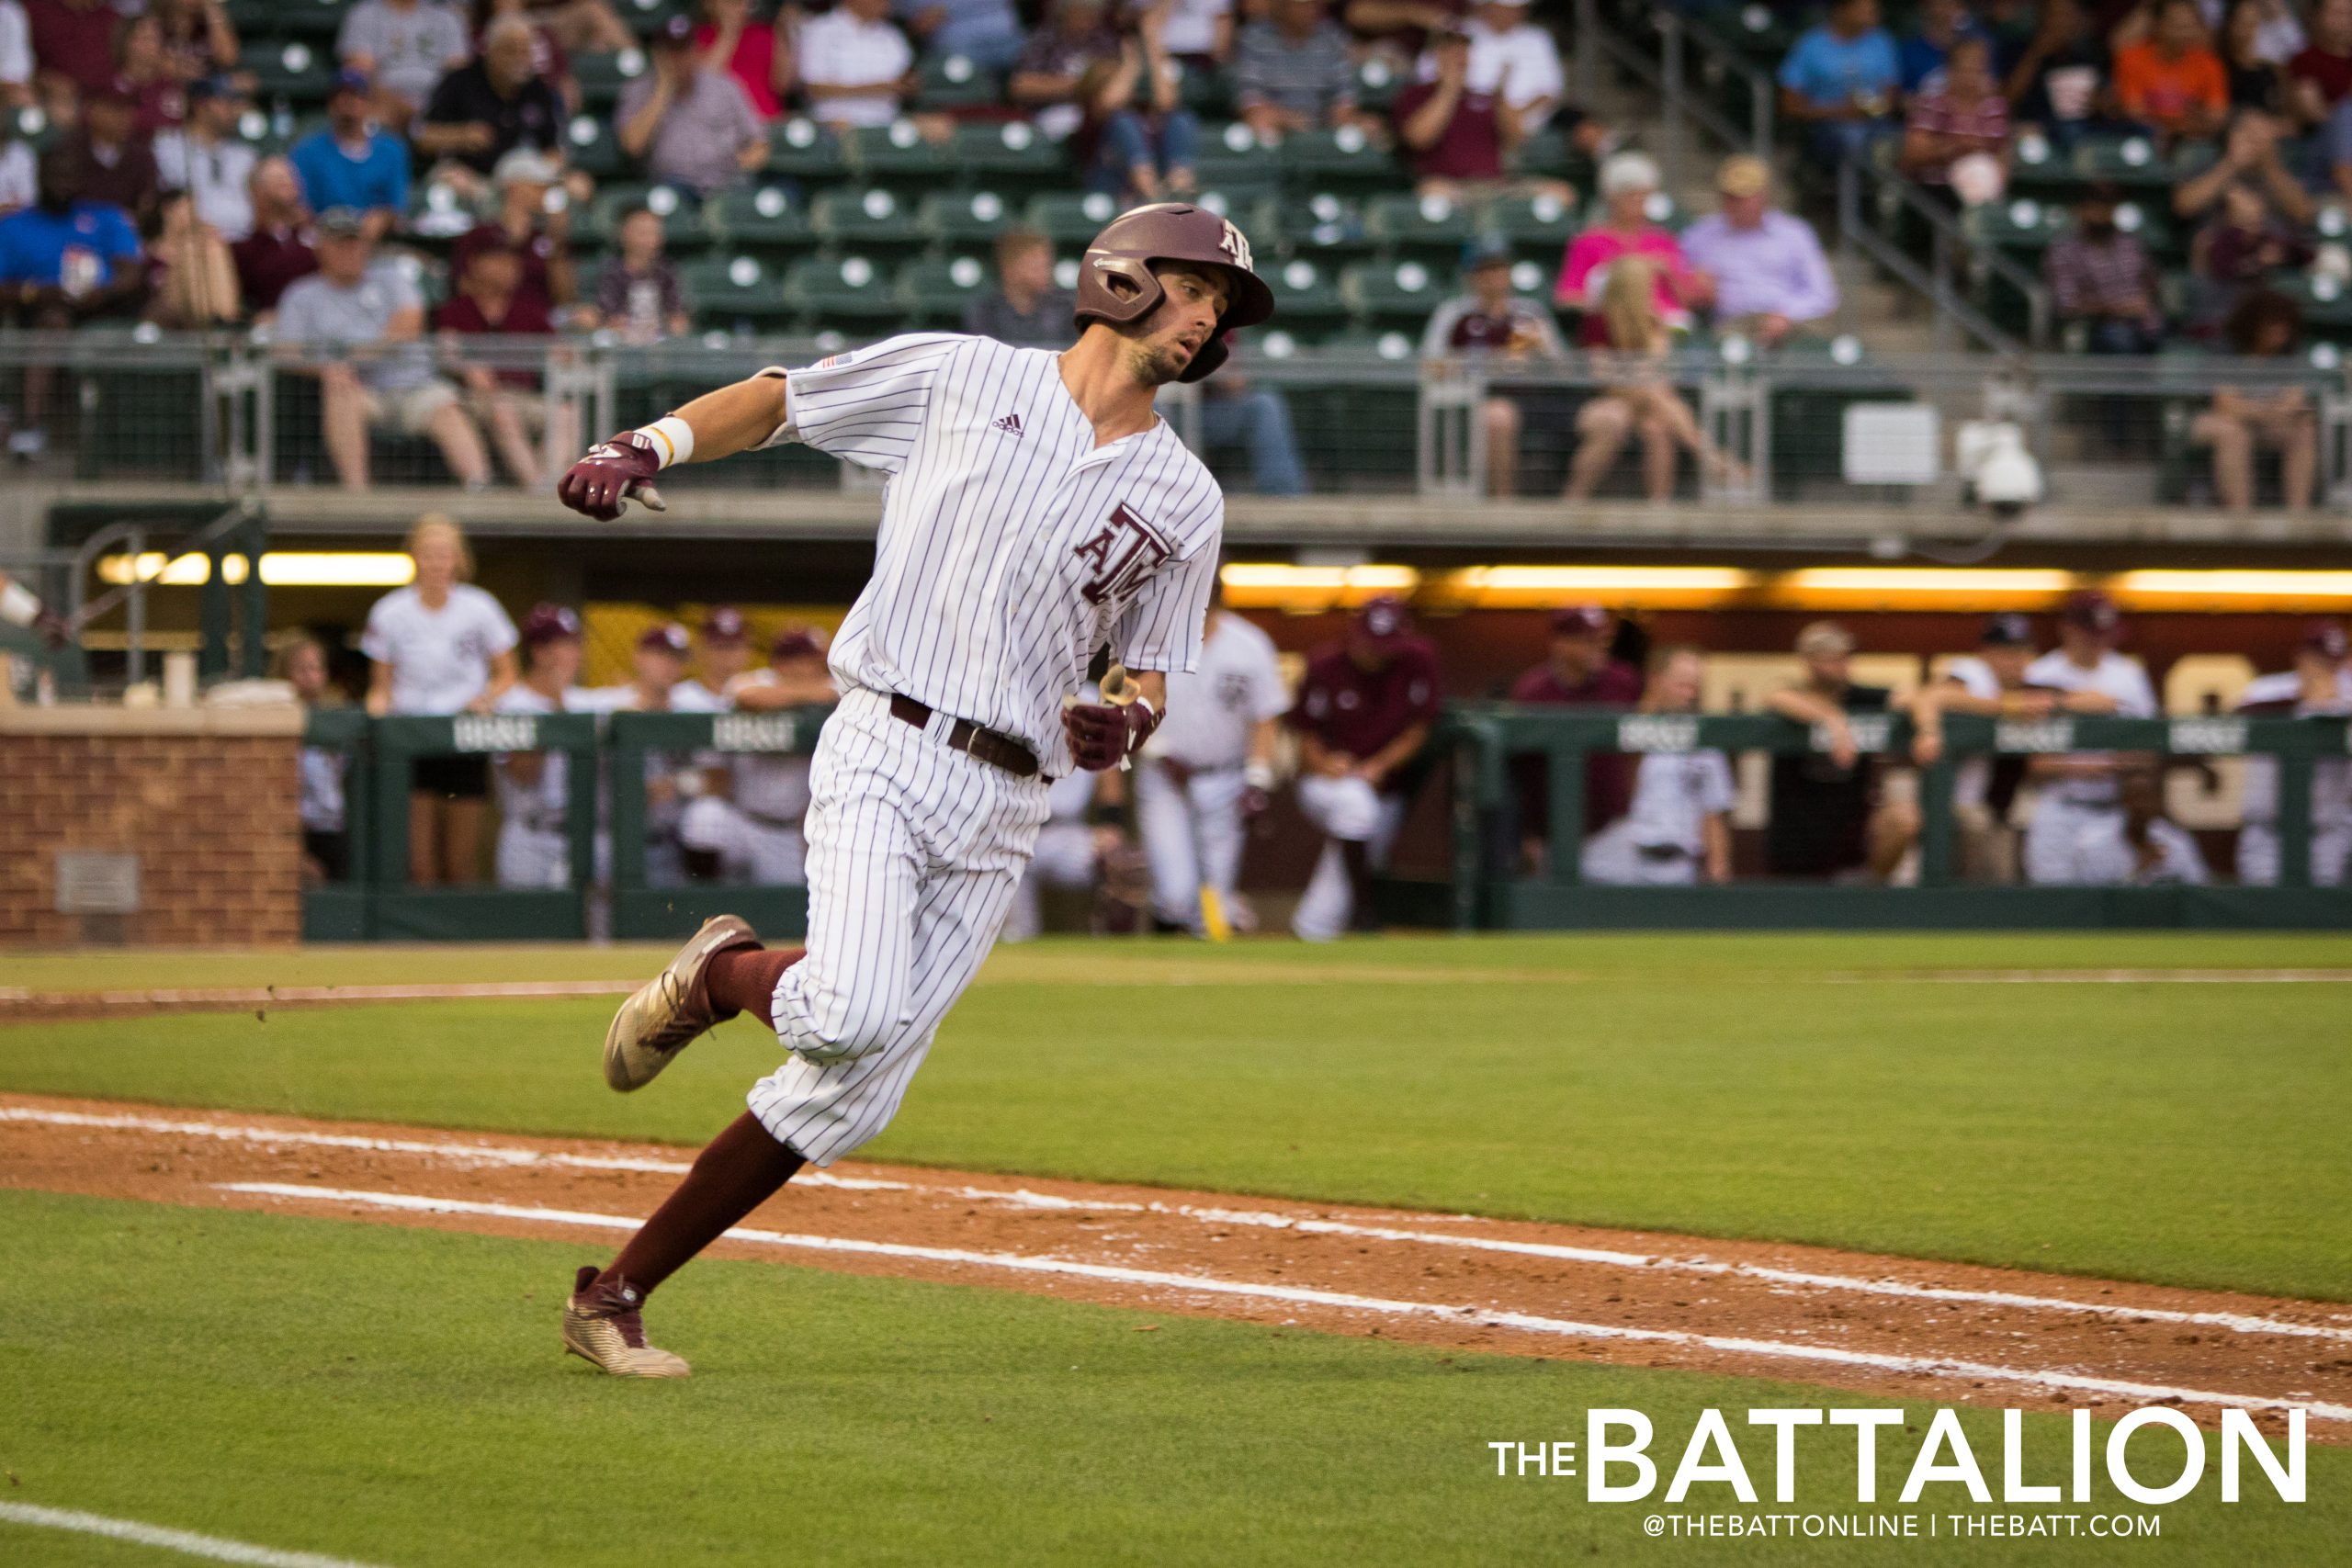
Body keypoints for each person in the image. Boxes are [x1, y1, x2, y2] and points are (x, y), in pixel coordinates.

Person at [548, 199, 1269, 1376]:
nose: (1203, 320)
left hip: (1011, 799)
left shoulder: (1187, 496)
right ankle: (721, 973)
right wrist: (649, 444)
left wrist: (1124, 721)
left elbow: (1148, 669)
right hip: (891, 737)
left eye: (1220, 307)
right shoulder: (959, 372)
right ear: (1123, 278)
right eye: (1194, 289)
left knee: (847, 1103)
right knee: (846, 1013)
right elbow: (784, 397)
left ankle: (611, 1294)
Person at [274, 208, 492, 490]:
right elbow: (285, 352)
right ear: (322, 248)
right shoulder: (302, 294)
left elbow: (408, 324)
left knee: (447, 407)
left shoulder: (391, 277)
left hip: (415, 386)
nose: (351, 250)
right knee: (340, 392)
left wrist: (347, 356)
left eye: (356, 241)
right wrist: (328, 366)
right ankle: (358, 494)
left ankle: (479, 487)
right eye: (341, 243)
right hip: (363, 391)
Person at [361, 513, 519, 886]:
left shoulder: (481, 607)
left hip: (465, 738)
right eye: (428, 554)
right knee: (421, 866)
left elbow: (508, 673)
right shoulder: (390, 611)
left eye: (444, 554)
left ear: (459, 559)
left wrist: (485, 699)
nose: (436, 563)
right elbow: (381, 685)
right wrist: (378, 712)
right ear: (414, 557)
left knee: (460, 863)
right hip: (412, 740)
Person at [1909, 611, 2118, 883]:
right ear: (1987, 653)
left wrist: (2052, 703)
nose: (2015, 661)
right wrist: (2006, 707)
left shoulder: (2031, 687)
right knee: (1973, 858)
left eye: (2021, 652)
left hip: (2001, 811)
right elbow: (1932, 696)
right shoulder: (1972, 675)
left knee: (2002, 880)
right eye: (2006, 652)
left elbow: (2104, 702)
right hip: (1956, 805)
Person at [1134, 575, 1284, 934]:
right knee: (1175, 890)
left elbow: (1266, 716)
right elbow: (1128, 696)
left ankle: (1207, 971)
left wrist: (1257, 778)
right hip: (1163, 776)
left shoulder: (1249, 644)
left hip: (1224, 777)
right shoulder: (1155, 636)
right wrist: (1155, 747)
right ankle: (1161, 963)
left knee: (1215, 893)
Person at [1287, 594, 1440, 940]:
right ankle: (1364, 912)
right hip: (1328, 783)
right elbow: (1305, 742)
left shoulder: (1418, 659)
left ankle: (1312, 930)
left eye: (1386, 645)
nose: (1377, 652)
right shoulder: (1325, 664)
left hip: (1384, 788)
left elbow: (1419, 729)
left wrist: (1378, 766)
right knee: (1354, 805)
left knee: (1349, 847)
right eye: (1371, 644)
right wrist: (1328, 765)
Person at [0, 147, 146, 460]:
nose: (61, 183)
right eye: (54, 175)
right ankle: (31, 426)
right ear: (38, 176)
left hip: (103, 309)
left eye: (69, 176)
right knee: (53, 320)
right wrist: (36, 293)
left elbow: (131, 272)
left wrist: (102, 292)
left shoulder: (104, 217)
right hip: (35, 312)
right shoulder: (13, 225)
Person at [1566, 257, 1743, 502]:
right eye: (1645, 285)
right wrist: (1638, 379)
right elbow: (1604, 378)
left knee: (1657, 427)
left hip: (1648, 401)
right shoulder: (1598, 322)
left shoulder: (1652, 322)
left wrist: (1639, 371)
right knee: (1634, 405)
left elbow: (1660, 371)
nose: (1650, 291)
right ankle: (1710, 457)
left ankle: (1659, 506)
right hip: (1606, 399)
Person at [2018, 589, 2160, 886]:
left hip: (2115, 810)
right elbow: (2032, 764)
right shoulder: (2041, 674)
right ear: (2067, 629)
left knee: (2113, 909)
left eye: (2104, 634)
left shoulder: (2128, 675)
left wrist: (2126, 764)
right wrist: (2089, 768)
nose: (2098, 642)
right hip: (2058, 806)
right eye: (2090, 633)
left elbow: (2151, 749)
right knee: (2054, 906)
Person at [681, 628, 841, 886]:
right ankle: (697, 897)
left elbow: (836, 692)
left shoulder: (835, 687)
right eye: (791, 659)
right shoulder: (757, 682)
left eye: (808, 660)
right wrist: (802, 694)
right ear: (777, 663)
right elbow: (745, 693)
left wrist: (797, 694)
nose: (800, 667)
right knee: (705, 818)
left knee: (782, 917)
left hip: (787, 832)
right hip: (743, 821)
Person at [1764, 620, 1916, 881]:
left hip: (1851, 842)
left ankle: (1875, 891)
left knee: (1903, 817)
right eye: (1831, 658)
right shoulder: (1792, 696)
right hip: (1797, 847)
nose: (1841, 665)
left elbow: (1911, 699)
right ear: (1809, 661)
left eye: (1845, 657)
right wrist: (1833, 721)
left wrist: (1929, 730)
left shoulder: (1861, 697)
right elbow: (1777, 697)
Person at [1421, 234, 1566, 496]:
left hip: (1533, 400)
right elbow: (1432, 365)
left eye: (1500, 268)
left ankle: (1569, 504)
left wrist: (1539, 349)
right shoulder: (1454, 314)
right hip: (1472, 399)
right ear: (1471, 276)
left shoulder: (1529, 313)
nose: (1494, 276)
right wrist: (1487, 362)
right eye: (1485, 269)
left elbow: (1561, 366)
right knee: (1499, 416)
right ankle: (1501, 502)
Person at [1506, 602, 1642, 873]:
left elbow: (1637, 746)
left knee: (1615, 911)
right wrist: (1527, 835)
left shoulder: (1622, 681)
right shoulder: (1532, 692)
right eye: (1586, 640)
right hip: (1551, 833)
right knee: (1557, 911)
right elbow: (1516, 772)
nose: (1598, 647)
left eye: (1602, 638)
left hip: (1611, 829)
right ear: (1560, 643)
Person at [1580, 646, 1733, 886]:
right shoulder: (1622, 725)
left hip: (1677, 864)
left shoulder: (1705, 740)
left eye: (1695, 686)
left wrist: (1718, 866)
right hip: (1618, 858)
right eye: (1682, 684)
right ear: (1656, 680)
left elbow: (1713, 810)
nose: (1690, 694)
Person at [434, 239, 567, 489]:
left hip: (525, 396)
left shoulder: (529, 309)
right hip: (475, 398)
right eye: (499, 260)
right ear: (475, 265)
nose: (509, 268)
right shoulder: (456, 309)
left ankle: (549, 483)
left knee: (566, 413)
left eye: (513, 261)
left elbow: (558, 350)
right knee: (502, 410)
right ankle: (536, 488)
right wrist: (465, 367)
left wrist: (563, 355)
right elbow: (446, 355)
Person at [1393, 23, 1573, 206]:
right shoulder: (1417, 94)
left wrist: (1502, 94)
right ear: (1437, 55)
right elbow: (1418, 139)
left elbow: (1515, 140)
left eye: (1463, 50)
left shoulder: (1485, 96)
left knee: (1560, 192)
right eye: (1449, 50)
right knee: (1433, 193)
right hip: (1450, 187)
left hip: (1496, 186)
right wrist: (1449, 90)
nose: (1458, 56)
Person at [2234, 619, 2352, 886]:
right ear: (2300, 658)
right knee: (2261, 919)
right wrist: (2303, 702)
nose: (2324, 669)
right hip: (2267, 830)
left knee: (2319, 921)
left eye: (2332, 662)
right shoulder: (2269, 689)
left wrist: (2336, 707)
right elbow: (2240, 712)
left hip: (2325, 834)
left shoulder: (2347, 695)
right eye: (2318, 660)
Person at [1678, 155, 1839, 348]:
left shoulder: (1795, 233)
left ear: (1763, 196)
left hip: (1788, 326)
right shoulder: (1701, 234)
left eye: (1743, 197)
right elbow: (1677, 277)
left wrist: (1787, 314)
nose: (1735, 204)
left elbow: (1823, 295)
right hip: (1729, 326)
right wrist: (1695, 284)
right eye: (1730, 196)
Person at [1554, 151, 1710, 345]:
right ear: (1612, 198)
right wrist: (1615, 280)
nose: (1638, 203)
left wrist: (1667, 271)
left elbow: (1688, 299)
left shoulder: (1663, 241)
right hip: (1609, 336)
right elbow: (1567, 298)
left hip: (1665, 333)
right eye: (1630, 196)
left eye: (1643, 196)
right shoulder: (1589, 241)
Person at [2191, 286, 2315, 511]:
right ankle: (2241, 519)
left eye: (2286, 324)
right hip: (2215, 423)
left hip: (2263, 424)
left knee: (2303, 428)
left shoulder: (2288, 360)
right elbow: (2226, 405)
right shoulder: (2228, 353)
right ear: (2255, 323)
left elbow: (2294, 402)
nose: (2282, 330)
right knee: (2234, 432)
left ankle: (2299, 515)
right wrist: (2269, 411)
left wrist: (2268, 412)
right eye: (2275, 323)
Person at [493, 602, 590, 890]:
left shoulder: (584, 700)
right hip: (529, 834)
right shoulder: (511, 703)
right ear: (539, 652)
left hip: (580, 834)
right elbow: (524, 772)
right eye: (565, 645)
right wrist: (557, 714)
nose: (575, 654)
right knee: (524, 929)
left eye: (575, 644)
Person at [618, 14, 768, 197]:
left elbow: (758, 142)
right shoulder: (638, 90)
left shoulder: (724, 87)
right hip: (670, 187)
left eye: (684, 50)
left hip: (725, 185)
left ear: (696, 50)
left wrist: (748, 159)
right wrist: (664, 89)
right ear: (658, 54)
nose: (679, 59)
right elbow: (633, 145)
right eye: (672, 51)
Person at [418, 16, 568, 199]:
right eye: (511, 51)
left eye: (525, 52)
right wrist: (461, 135)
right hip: (469, 174)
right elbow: (422, 136)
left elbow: (552, 148)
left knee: (570, 188)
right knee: (452, 183)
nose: (519, 59)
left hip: (519, 177)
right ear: (490, 51)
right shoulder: (459, 82)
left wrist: (549, 168)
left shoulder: (537, 89)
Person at [1000, 761, 1119, 939]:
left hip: (1067, 831)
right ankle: (1019, 943)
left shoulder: (1093, 735)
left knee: (1117, 864)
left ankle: (1112, 942)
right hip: (1017, 830)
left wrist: (1112, 825)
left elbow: (1110, 774)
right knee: (1018, 932)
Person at [290, 71, 413, 240]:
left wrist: (381, 218)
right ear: (330, 105)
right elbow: (301, 208)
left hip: (376, 242)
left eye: (355, 95)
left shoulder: (391, 150)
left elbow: (396, 206)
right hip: (323, 239)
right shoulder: (307, 151)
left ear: (369, 104)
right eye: (340, 97)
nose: (348, 103)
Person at [1778, 0, 1902, 166]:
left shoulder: (1881, 41)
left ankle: (1886, 191)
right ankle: (1850, 192)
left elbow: (1890, 97)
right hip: (1824, 127)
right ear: (1841, 10)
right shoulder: (1810, 44)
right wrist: (1841, 111)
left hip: (1875, 123)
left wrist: (1872, 109)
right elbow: (1790, 107)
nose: (1872, 13)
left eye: (1873, 8)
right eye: (1863, 8)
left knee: (1900, 140)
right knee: (1852, 137)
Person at [2042, 184, 2165, 353]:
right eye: (2095, 204)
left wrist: (2144, 302)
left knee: (2178, 344)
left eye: (2107, 204)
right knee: (2120, 338)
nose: (2101, 212)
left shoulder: (2131, 245)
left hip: (2146, 325)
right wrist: (2119, 308)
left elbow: (2152, 287)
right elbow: (2067, 304)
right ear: (2080, 209)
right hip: (2097, 328)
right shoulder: (2064, 251)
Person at [451, 146, 573, 312]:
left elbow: (564, 298)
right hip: (493, 328)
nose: (545, 193)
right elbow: (463, 290)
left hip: (540, 328)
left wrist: (557, 241)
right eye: (538, 186)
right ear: (514, 186)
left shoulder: (544, 238)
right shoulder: (478, 236)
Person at [2188, 175, 2312, 333]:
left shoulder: (2267, 237)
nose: (2254, 224)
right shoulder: (2215, 240)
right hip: (2220, 319)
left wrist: (2284, 253)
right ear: (2230, 217)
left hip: (2257, 322)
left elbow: (2305, 253)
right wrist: (2259, 261)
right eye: (2246, 219)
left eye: (2258, 219)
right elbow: (2226, 270)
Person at [1233, 0, 1373, 141]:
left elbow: (1344, 99)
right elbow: (1251, 102)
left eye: (1314, 3)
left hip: (1323, 126)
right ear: (1282, 5)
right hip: (1276, 127)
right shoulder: (1255, 38)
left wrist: (1346, 119)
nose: (1310, 8)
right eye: (1302, 3)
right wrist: (1290, 119)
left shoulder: (1332, 38)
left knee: (1368, 128)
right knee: (1260, 120)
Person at [277, 630, 351, 886]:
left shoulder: (338, 718)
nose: (311, 676)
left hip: (333, 829)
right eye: (301, 669)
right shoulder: (274, 721)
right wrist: (297, 855)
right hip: (295, 831)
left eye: (316, 668)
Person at [1900, 34, 2010, 191]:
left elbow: (2003, 156)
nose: (1972, 76)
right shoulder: (1933, 104)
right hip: (1935, 191)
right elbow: (1912, 155)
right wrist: (1954, 148)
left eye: (1978, 69)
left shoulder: (1995, 107)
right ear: (1950, 70)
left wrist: (1980, 153)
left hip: (1983, 190)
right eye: (1966, 69)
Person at [339, 0, 472, 130]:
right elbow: (360, 73)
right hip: (385, 106)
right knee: (368, 116)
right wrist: (404, 110)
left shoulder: (445, 17)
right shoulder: (365, 14)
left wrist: (430, 110)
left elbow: (457, 73)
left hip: (437, 109)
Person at [153, 73, 254, 242]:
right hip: (191, 242)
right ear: (200, 105)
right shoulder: (167, 148)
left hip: (244, 243)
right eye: (224, 102)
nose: (233, 110)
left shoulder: (245, 155)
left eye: (235, 103)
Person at [2114, 0, 2230, 145]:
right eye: (2178, 27)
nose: (2184, 34)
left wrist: (2178, 126)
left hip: (2192, 141)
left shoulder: (2209, 63)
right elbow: (2134, 112)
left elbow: (2216, 115)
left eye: (2189, 27)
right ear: (2158, 25)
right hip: (2142, 138)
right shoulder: (2131, 58)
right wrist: (2185, 120)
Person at [2005, 0, 2112, 156]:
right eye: (2054, 15)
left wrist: (2101, 103)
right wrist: (2037, 53)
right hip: (2037, 128)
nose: (2060, 22)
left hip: (2084, 127)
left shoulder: (2088, 55)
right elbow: (2006, 100)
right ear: (2041, 17)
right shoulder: (2019, 50)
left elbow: (2107, 102)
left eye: (2067, 15)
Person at [797, 0, 915, 130]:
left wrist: (907, 85)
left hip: (885, 126)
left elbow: (907, 80)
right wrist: (875, 89)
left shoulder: (892, 35)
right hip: (833, 128)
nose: (886, 3)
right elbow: (813, 88)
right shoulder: (820, 30)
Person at [59, 83, 159, 225]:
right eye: (117, 108)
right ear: (91, 109)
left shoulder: (141, 156)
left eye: (130, 109)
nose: (125, 117)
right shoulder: (69, 150)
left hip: (124, 237)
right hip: (73, 233)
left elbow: (147, 207)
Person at [231, 155, 317, 319]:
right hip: (271, 326)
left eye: (291, 178)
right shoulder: (243, 247)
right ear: (257, 192)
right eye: (280, 180)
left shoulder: (316, 235)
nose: (290, 184)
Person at [589, 204, 691, 342]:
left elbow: (677, 316)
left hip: (659, 343)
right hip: (620, 343)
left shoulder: (668, 272)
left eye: (654, 233)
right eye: (642, 233)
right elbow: (606, 316)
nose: (649, 240)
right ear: (623, 233)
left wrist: (672, 324)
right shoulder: (610, 272)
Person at [963, 225, 1073, 345]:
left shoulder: (1065, 310)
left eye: (1047, 266)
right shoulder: (985, 313)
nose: (1045, 273)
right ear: (1008, 268)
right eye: (1035, 267)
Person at [695, 0, 796, 121]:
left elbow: (783, 85)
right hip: (723, 125)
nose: (743, 8)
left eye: (746, 3)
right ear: (710, 5)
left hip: (766, 120)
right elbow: (705, 80)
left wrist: (784, 30)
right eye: (734, 3)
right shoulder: (699, 37)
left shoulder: (765, 33)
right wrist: (729, 33)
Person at [900, 0, 1023, 75]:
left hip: (1007, 35)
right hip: (958, 45)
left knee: (1030, 60)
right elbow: (909, 24)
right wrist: (918, 25)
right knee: (957, 68)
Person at [1897, 0, 1984, 95]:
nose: (1946, 10)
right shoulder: (1910, 51)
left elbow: (1990, 87)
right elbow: (1903, 95)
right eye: (1941, 4)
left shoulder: (1976, 48)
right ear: (1927, 7)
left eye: (1952, 3)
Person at [2289, 0, 2352, 127]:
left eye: (2349, 14)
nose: (2344, 22)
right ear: (2317, 16)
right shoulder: (2305, 61)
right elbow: (2312, 112)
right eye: (2336, 14)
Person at [678, 604, 754, 709]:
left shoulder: (767, 690)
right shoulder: (679, 698)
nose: (727, 655)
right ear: (701, 649)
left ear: (747, 650)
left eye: (733, 647)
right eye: (720, 647)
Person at [2220, 0, 2287, 112]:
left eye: (2252, 24)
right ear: (2229, 23)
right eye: (2241, 23)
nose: (2246, 31)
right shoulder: (2219, 66)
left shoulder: (2270, 68)